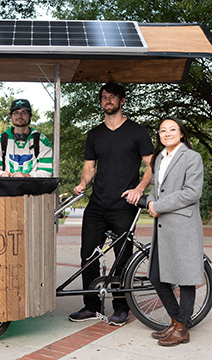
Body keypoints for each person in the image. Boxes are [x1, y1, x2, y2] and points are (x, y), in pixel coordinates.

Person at [69, 83, 154, 326]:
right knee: (87, 256)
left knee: (122, 259)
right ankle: (91, 306)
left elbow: (151, 165)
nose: (108, 100)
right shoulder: (94, 134)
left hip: (124, 206)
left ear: (122, 101)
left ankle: (121, 307)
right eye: (104, 97)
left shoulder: (137, 132)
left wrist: (139, 189)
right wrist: (83, 183)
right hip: (97, 205)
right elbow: (89, 168)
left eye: (112, 97)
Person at [147, 116, 204, 346]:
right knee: (155, 276)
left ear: (181, 133)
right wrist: (151, 201)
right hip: (163, 227)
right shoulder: (159, 157)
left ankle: (182, 329)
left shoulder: (192, 157)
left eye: (172, 129)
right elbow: (155, 188)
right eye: (162, 130)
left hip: (183, 226)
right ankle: (174, 321)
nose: (167, 133)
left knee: (186, 279)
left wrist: (158, 206)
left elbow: (192, 192)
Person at [0, 99, 53, 177]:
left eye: (23, 112)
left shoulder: (41, 140)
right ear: (11, 116)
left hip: (33, 188)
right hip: (6, 188)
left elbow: (46, 172)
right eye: (15, 113)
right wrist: (1, 174)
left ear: (30, 116)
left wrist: (27, 176)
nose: (19, 116)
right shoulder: (0, 140)